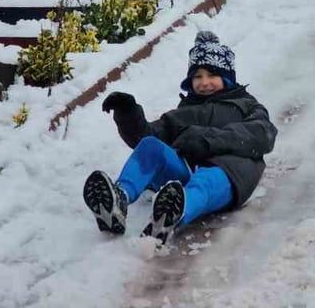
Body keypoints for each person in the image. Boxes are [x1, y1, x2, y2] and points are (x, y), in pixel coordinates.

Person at [86, 31, 277, 245]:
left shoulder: (246, 105)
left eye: (212, 75)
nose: (204, 82)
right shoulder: (184, 111)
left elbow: (263, 134)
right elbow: (148, 137)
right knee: (150, 146)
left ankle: (174, 212)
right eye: (197, 76)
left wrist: (207, 140)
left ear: (228, 77)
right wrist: (128, 114)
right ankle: (119, 199)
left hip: (228, 174)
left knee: (205, 180)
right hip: (185, 173)